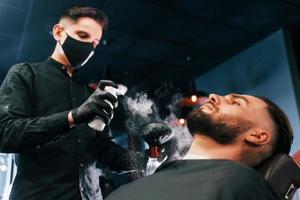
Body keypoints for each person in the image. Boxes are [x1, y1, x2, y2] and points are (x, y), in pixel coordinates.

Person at [0, 6, 147, 200]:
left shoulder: (89, 93)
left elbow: (104, 150)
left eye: (94, 43)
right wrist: (72, 117)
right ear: (59, 32)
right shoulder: (25, 74)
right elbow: (5, 133)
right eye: (82, 35)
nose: (88, 48)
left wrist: (144, 160)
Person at [106, 93, 294, 200]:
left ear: (257, 136)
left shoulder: (240, 183)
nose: (213, 96)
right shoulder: (142, 184)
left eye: (235, 102)